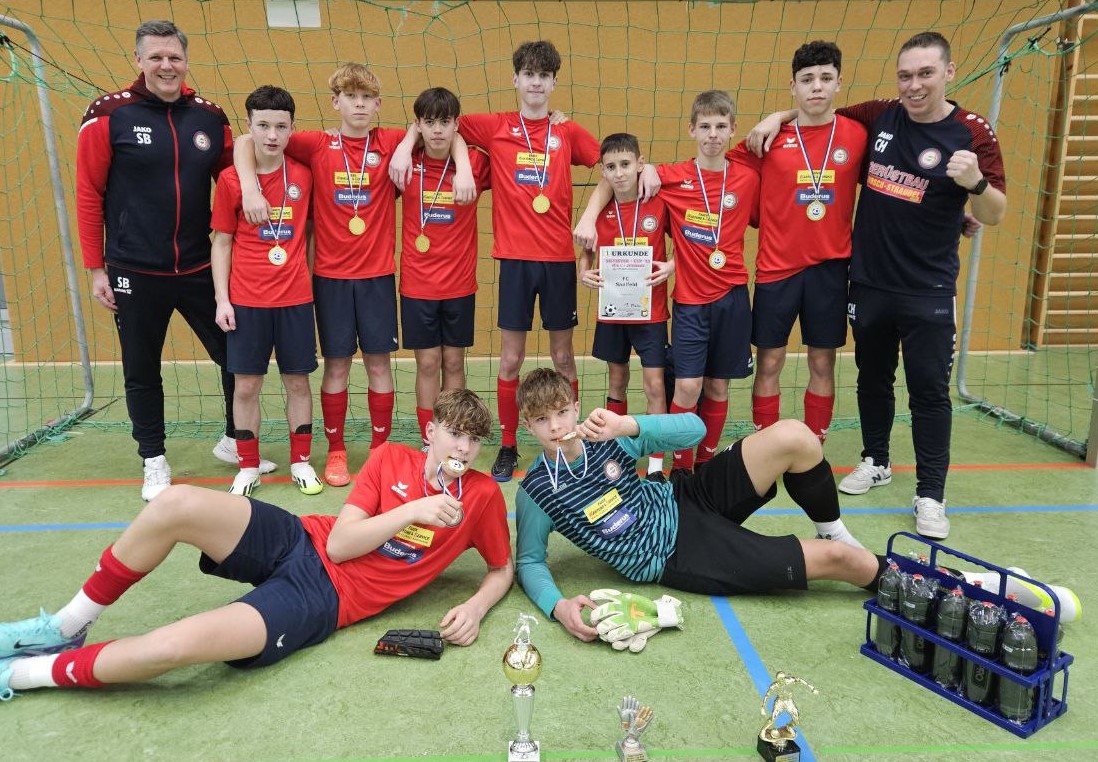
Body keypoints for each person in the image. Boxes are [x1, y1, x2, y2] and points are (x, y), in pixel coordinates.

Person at [0, 389, 513, 699]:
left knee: (174, 646)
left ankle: (27, 674)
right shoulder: (389, 459)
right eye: (454, 433)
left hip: (324, 600)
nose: (464, 447)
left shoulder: (484, 497)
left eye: (474, 439)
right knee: (175, 503)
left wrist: (476, 605)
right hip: (301, 539)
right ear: (431, 432)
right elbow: (339, 545)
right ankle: (66, 625)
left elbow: (501, 568)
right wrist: (412, 511)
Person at [748, 32, 1007, 539]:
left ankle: (931, 494)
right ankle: (876, 459)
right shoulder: (878, 116)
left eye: (925, 74)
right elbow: (814, 111)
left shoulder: (972, 131)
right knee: (873, 378)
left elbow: (994, 213)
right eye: (906, 75)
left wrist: (975, 185)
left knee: (929, 393)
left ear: (949, 73)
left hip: (929, 287)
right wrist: (774, 117)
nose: (914, 85)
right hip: (867, 280)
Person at [512, 367, 877, 642]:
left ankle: (833, 531)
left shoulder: (609, 436)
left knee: (796, 436)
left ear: (576, 408)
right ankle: (905, 587)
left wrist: (628, 424)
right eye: (543, 420)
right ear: (528, 426)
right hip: (679, 554)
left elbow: (696, 430)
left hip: (686, 496)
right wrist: (558, 607)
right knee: (843, 561)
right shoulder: (538, 490)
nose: (556, 427)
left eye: (561, 412)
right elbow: (529, 561)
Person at [76, 20, 272, 502]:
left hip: (201, 266)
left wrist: (248, 187)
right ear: (139, 61)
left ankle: (234, 439)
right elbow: (88, 192)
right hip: (133, 268)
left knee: (236, 355)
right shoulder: (107, 114)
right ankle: (154, 459)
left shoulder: (209, 116)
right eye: (156, 57)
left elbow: (235, 169)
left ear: (186, 62)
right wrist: (96, 267)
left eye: (174, 57)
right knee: (142, 366)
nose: (166, 65)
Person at [233, 64, 454, 488]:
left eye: (366, 98)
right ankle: (335, 452)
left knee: (378, 365)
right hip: (330, 278)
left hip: (376, 278)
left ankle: (379, 451)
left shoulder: (389, 141)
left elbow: (442, 131)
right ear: (335, 102)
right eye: (349, 97)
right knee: (336, 366)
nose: (358, 105)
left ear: (377, 105)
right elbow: (249, 138)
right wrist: (248, 184)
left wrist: (407, 144)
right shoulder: (316, 144)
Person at [393, 40, 601, 482]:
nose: (536, 83)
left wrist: (594, 210)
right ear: (515, 80)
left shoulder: (568, 132)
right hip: (514, 262)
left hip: (559, 260)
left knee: (564, 359)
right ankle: (508, 444)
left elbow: (611, 164)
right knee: (510, 361)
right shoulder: (495, 126)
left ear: (554, 83)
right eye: (529, 75)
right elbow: (440, 125)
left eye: (544, 76)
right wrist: (459, 165)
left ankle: (571, 439)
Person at [576, 90, 760, 480]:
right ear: (692, 129)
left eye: (721, 127)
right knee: (686, 385)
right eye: (705, 126)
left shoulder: (746, 175)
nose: (712, 134)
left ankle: (706, 463)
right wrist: (589, 219)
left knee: (718, 385)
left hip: (731, 297)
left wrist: (675, 262)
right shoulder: (669, 178)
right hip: (685, 303)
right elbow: (614, 179)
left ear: (732, 130)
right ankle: (677, 466)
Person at [748, 41, 866, 442]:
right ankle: (766, 441)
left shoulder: (857, 134)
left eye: (826, 78)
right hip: (776, 269)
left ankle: (814, 442)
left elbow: (895, 177)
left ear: (838, 83)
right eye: (807, 79)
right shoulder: (768, 139)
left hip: (830, 269)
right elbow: (713, 167)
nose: (817, 87)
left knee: (822, 360)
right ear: (792, 86)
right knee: (770, 361)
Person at [211, 85, 322, 497]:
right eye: (262, 125)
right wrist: (223, 299)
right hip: (246, 301)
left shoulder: (304, 176)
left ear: (292, 128)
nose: (271, 135)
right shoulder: (230, 180)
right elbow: (221, 241)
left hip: (294, 300)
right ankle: (247, 466)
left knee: (298, 383)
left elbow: (309, 233)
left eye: (280, 126)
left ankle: (301, 462)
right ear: (249, 127)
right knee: (245, 386)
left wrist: (304, 279)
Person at [397, 88, 491, 448]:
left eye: (445, 122)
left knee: (453, 362)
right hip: (417, 286)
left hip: (459, 286)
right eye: (429, 122)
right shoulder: (403, 162)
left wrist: (464, 159)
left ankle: (457, 430)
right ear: (419, 124)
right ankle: (429, 437)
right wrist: (407, 141)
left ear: (456, 124)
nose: (437, 130)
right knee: (426, 364)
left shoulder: (476, 166)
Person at [577, 133, 672, 480]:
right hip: (614, 313)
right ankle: (614, 450)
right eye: (611, 167)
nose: (619, 173)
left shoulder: (658, 203)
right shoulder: (599, 211)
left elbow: (688, 243)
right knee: (616, 380)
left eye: (626, 165)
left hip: (652, 314)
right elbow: (586, 253)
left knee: (654, 386)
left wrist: (672, 266)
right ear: (603, 170)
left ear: (640, 164)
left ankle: (658, 464)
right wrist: (583, 272)